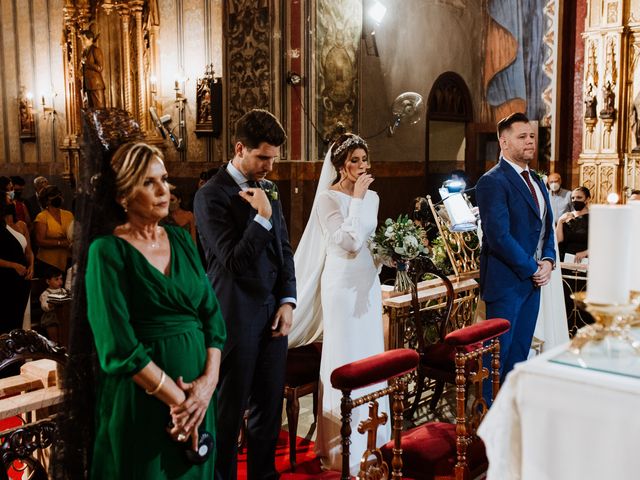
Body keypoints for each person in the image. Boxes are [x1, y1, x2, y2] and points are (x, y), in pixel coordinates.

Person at [84, 141, 226, 479]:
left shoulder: (180, 239)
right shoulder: (107, 252)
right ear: (123, 194)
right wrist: (180, 402)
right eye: (149, 182)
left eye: (164, 179)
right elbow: (118, 347)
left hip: (198, 401)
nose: (164, 190)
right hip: (143, 406)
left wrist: (206, 386)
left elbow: (212, 317)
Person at [194, 109, 296, 480]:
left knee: (268, 411)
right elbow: (233, 262)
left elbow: (284, 249)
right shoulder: (210, 197)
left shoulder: (269, 188)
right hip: (234, 316)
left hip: (272, 313)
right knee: (228, 412)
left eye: (273, 158)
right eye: (263, 157)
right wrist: (262, 218)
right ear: (240, 148)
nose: (270, 165)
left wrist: (287, 300)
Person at [289, 133, 390, 474]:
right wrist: (357, 200)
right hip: (340, 284)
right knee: (346, 354)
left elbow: (369, 242)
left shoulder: (373, 197)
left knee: (371, 354)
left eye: (365, 160)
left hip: (366, 283)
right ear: (340, 165)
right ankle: (342, 445)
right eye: (355, 161)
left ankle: (375, 440)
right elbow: (347, 242)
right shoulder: (327, 199)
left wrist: (389, 254)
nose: (362, 167)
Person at [476, 112, 555, 393]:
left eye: (532, 136)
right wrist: (532, 268)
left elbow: (546, 226)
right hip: (506, 283)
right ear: (504, 142)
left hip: (532, 283)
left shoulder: (535, 179)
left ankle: (508, 419)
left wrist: (548, 259)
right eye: (522, 137)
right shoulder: (493, 181)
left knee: (519, 355)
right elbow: (498, 236)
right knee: (496, 358)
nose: (530, 141)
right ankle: (485, 423)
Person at [0, 192, 33, 334]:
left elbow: (29, 251)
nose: (11, 200)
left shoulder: (21, 225)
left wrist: (32, 266)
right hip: (6, 282)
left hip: (22, 280)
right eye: (8, 198)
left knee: (19, 321)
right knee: (7, 322)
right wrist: (13, 265)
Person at [34, 185, 74, 275]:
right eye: (56, 196)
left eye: (60, 195)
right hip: (48, 262)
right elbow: (40, 241)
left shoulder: (68, 214)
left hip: (68, 259)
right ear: (47, 200)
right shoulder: (42, 217)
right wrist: (60, 243)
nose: (59, 198)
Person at [556, 186, 590, 263]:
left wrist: (585, 253)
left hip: (583, 259)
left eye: (579, 197)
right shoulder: (566, 216)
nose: (575, 200)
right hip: (565, 258)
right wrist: (560, 221)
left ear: (587, 199)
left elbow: (600, 243)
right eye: (573, 198)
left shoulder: (593, 218)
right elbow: (559, 240)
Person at [39, 267, 68, 341]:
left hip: (62, 316)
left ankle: (63, 346)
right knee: (54, 339)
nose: (60, 281)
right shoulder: (45, 294)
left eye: (61, 278)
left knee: (63, 336)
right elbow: (44, 306)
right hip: (51, 318)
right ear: (48, 281)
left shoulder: (63, 290)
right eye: (56, 279)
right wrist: (52, 304)